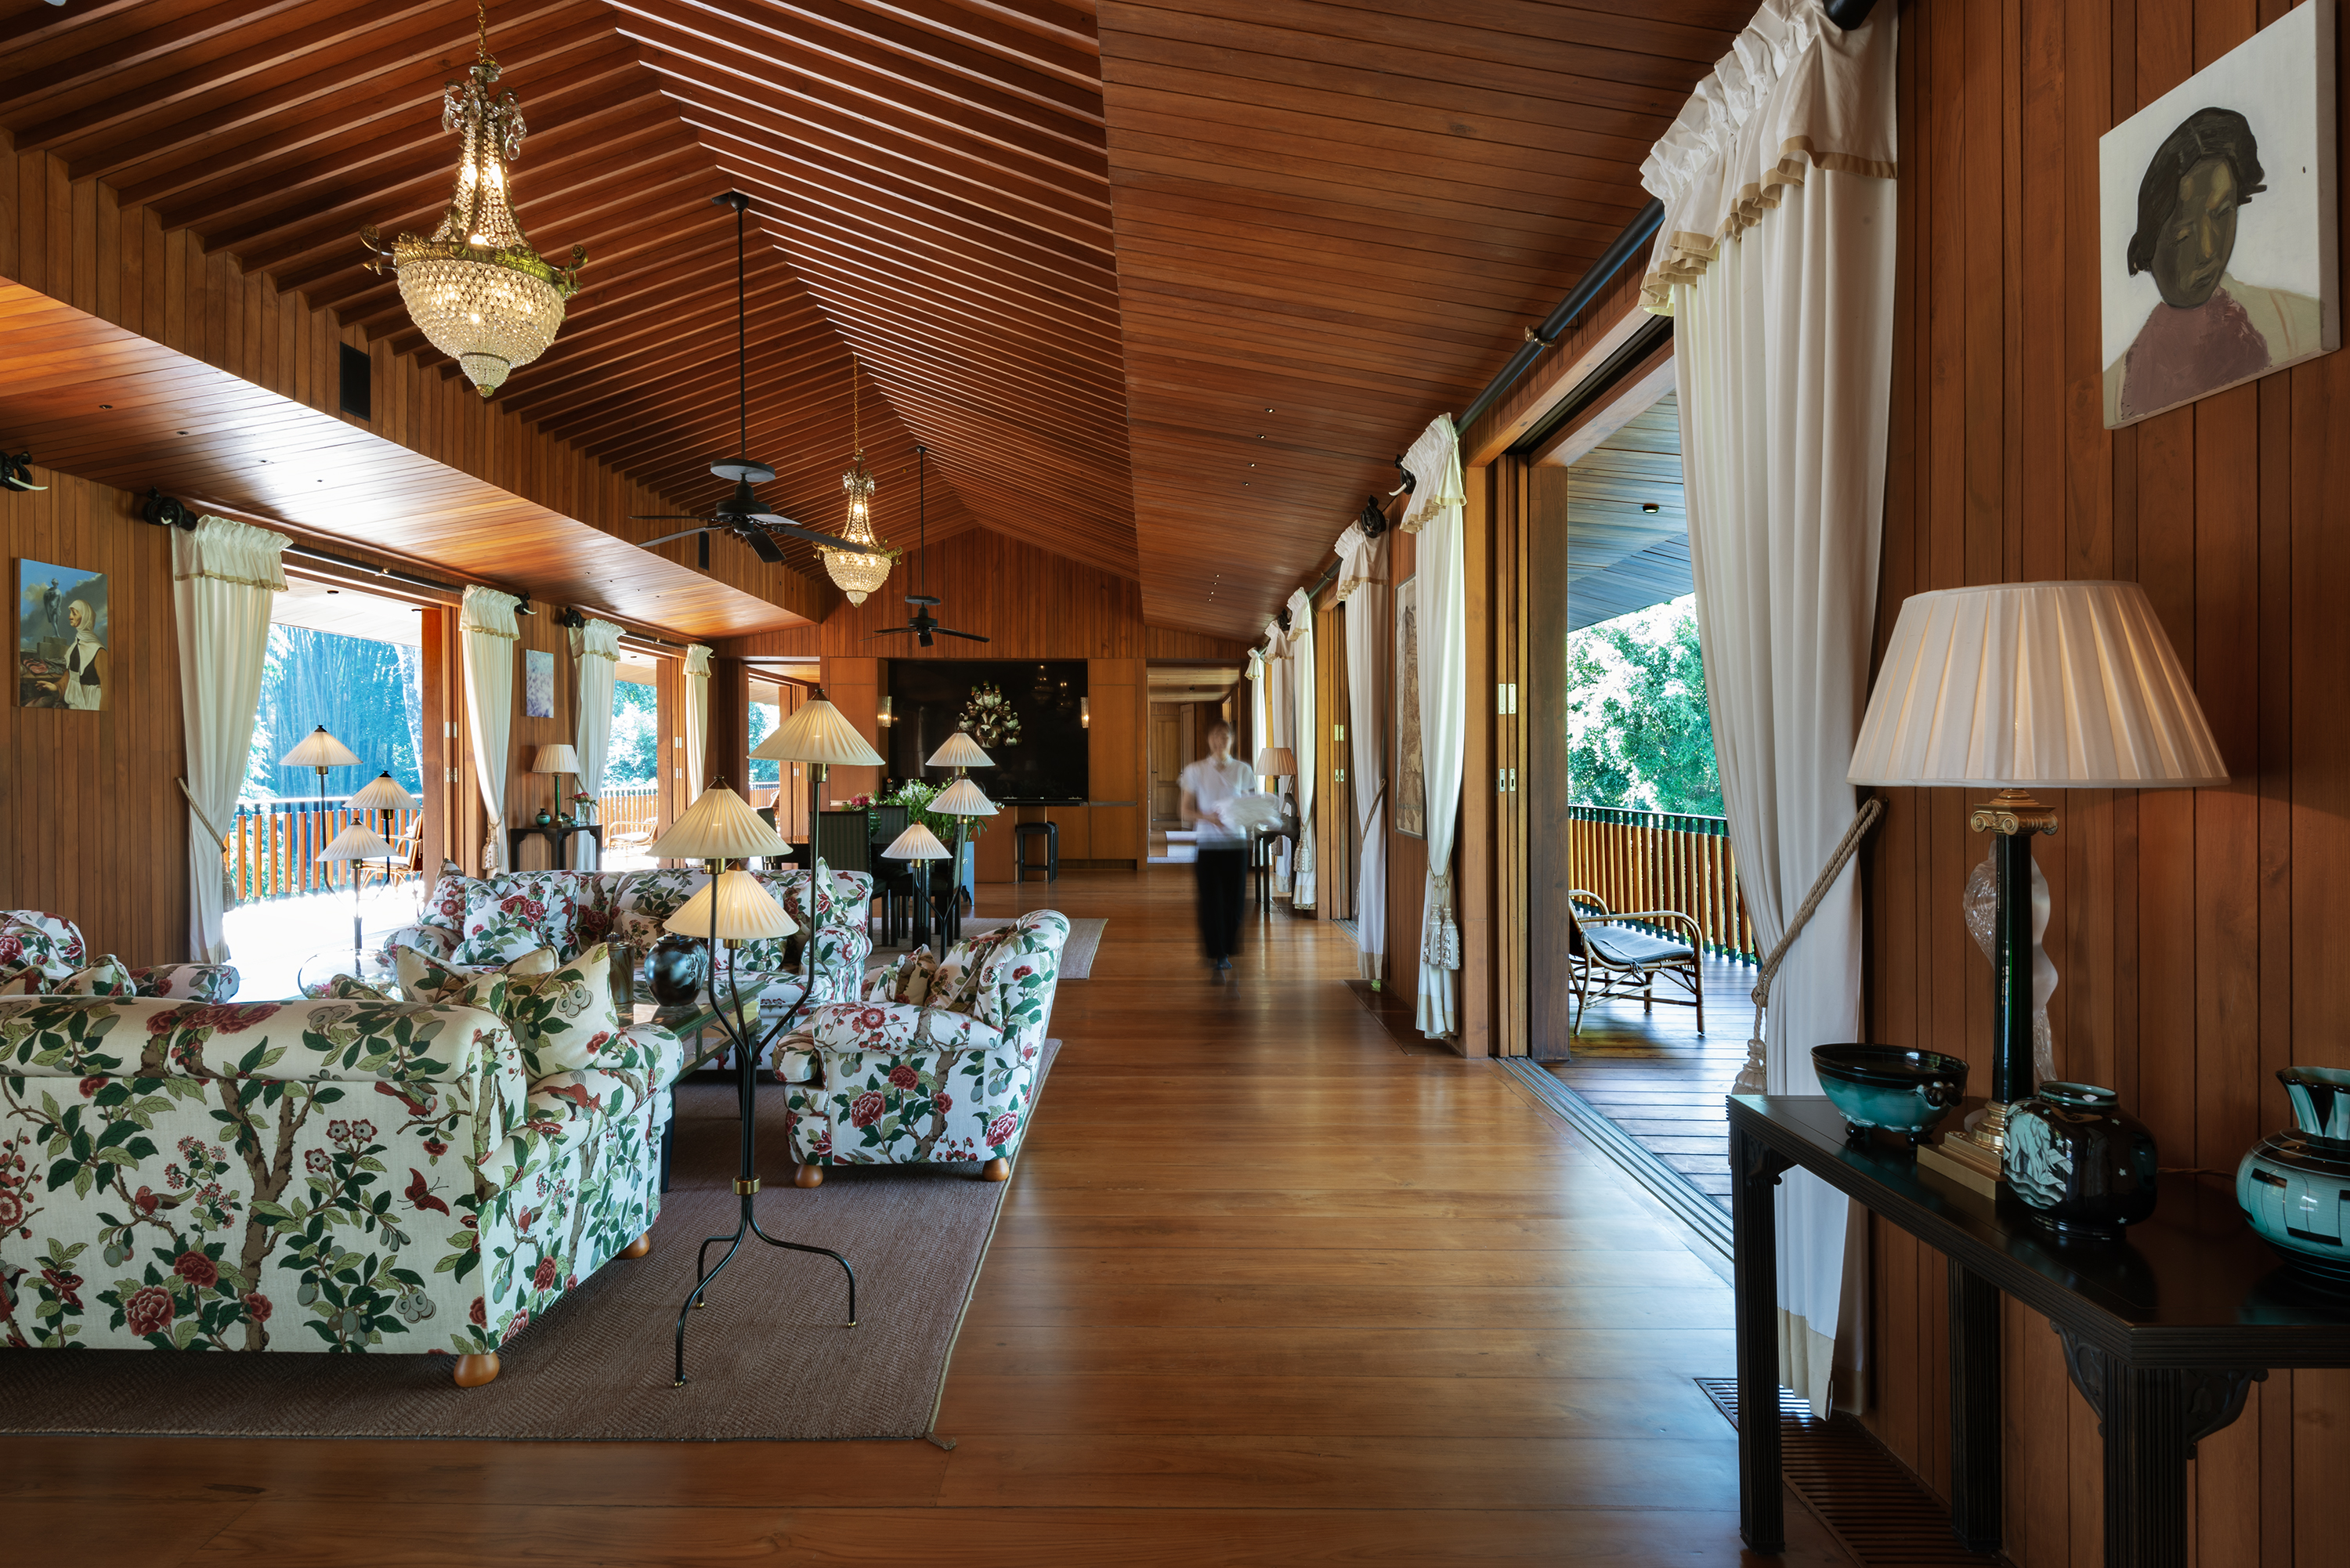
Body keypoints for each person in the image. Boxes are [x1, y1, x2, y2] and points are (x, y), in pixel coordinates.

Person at [2105, 106, 2325, 425]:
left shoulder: (2300, 325)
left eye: (2223, 213)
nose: (2208, 251)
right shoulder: (2115, 386)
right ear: (2148, 247)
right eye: (2183, 233)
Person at [1179, 721, 1255, 974]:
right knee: (1210, 901)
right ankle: (1215, 952)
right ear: (1208, 740)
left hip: (1236, 845)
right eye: (1215, 736)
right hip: (1208, 845)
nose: (1219, 741)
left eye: (1224, 736)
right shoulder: (1195, 770)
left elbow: (1250, 806)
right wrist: (1209, 818)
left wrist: (1247, 817)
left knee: (1235, 903)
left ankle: (1227, 950)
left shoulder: (1244, 770)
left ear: (1232, 739)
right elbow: (1185, 810)